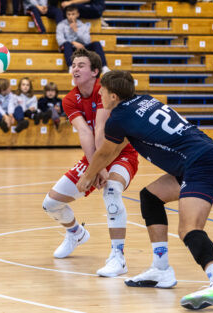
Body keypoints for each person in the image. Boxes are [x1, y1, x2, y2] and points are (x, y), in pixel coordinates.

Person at [77, 70, 213, 310]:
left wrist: (87, 177)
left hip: (202, 163)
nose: (99, 94)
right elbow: (120, 143)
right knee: (150, 197)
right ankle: (161, 269)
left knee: (189, 229)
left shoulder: (119, 117)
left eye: (102, 90)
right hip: (202, 158)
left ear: (112, 96)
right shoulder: (145, 99)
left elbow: (105, 152)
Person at [42, 49, 139, 277]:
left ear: (95, 71)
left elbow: (100, 130)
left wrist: (102, 167)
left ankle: (118, 257)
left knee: (111, 191)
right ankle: (76, 232)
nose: (75, 68)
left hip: (121, 153)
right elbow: (85, 133)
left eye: (81, 65)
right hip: (95, 155)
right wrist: (96, 165)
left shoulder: (104, 91)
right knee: (50, 204)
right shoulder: (69, 99)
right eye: (73, 65)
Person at [56, 5, 110, 74]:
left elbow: (87, 40)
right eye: (68, 14)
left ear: (77, 14)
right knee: (66, 44)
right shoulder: (61, 25)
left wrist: (76, 31)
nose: (71, 16)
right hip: (69, 48)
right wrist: (73, 43)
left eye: (73, 14)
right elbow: (60, 40)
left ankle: (104, 67)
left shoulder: (83, 25)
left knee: (96, 44)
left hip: (82, 47)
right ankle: (71, 67)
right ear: (66, 15)